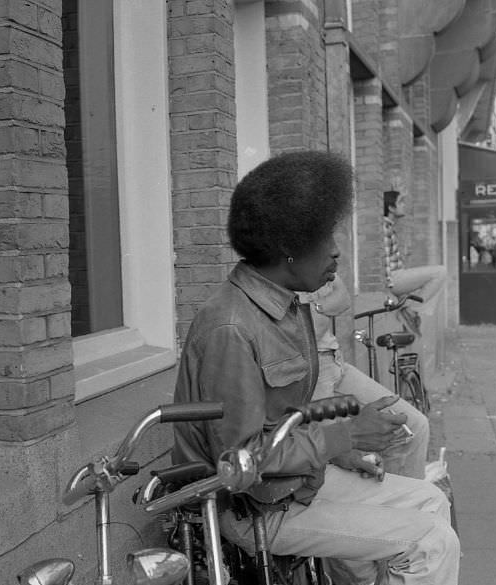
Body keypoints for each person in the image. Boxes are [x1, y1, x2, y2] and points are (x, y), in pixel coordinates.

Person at [173, 151, 459, 585]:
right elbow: (240, 459)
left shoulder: (284, 305)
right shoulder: (230, 328)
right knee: (431, 541)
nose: (336, 250)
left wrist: (341, 452)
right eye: (325, 235)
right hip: (254, 509)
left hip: (295, 486)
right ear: (289, 246)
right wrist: (346, 434)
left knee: (432, 503)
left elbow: (285, 422)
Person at [298, 274, 429, 479]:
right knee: (332, 455)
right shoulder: (282, 264)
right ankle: (390, 505)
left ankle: (405, 503)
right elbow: (310, 331)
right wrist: (324, 306)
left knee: (414, 426)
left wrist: (314, 308)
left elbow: (343, 297)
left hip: (337, 361)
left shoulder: (316, 255)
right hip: (311, 369)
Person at [383, 190, 447, 334]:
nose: (404, 205)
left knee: (434, 283)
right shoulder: (384, 227)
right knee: (440, 272)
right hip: (394, 279)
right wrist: (390, 290)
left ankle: (409, 309)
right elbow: (386, 262)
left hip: (397, 277)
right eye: (401, 202)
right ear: (391, 208)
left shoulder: (389, 226)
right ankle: (413, 310)